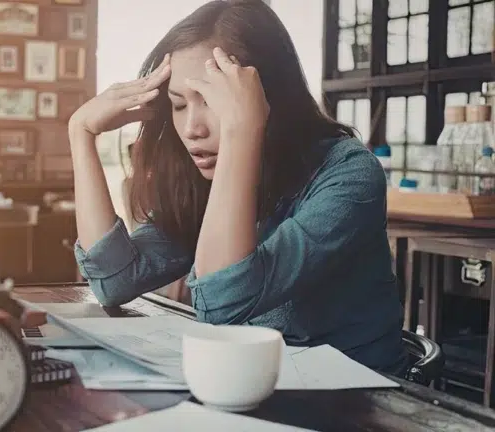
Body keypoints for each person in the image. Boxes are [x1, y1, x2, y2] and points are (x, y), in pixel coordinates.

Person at [67, 0, 407, 375]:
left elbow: (221, 302)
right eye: (178, 105)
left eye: (212, 101)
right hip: (254, 384)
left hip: (358, 402)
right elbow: (113, 281)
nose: (192, 128)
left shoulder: (349, 172)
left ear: (267, 99)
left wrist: (243, 131)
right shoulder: (202, 178)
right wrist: (80, 132)